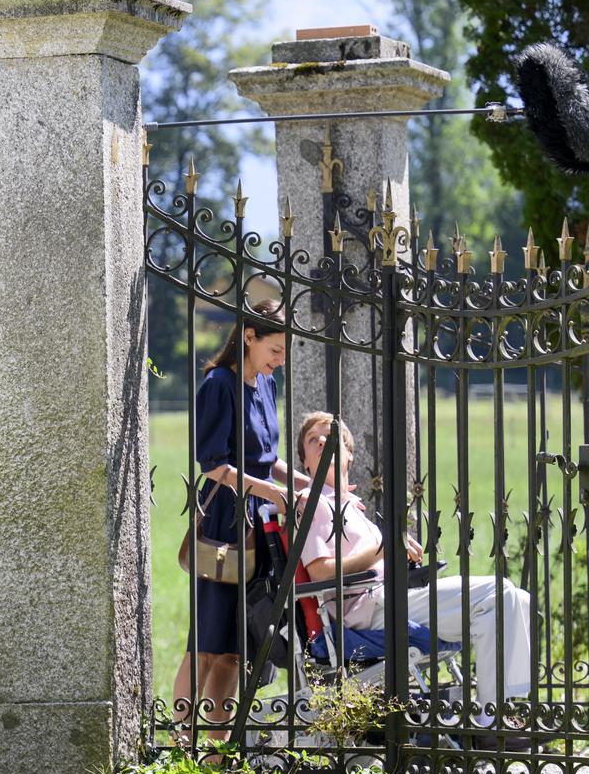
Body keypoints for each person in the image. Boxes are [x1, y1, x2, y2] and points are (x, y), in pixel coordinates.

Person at [293, 412, 535, 706]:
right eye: (312, 439)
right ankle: (492, 717)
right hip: (366, 609)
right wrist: (385, 546)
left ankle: (504, 709)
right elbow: (321, 575)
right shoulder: (313, 502)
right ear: (304, 461)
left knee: (518, 599)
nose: (322, 441)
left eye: (330, 437)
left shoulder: (351, 507)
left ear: (350, 456)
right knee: (498, 593)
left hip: (391, 597)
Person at [173, 312, 295, 742]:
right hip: (227, 523)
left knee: (234, 648)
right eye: (274, 350)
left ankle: (214, 754)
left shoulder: (267, 384)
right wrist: (269, 491)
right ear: (248, 337)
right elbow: (213, 465)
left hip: (260, 527)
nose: (279, 360)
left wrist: (304, 483)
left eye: (284, 352)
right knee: (206, 641)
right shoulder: (218, 385)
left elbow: (267, 457)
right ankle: (181, 746)